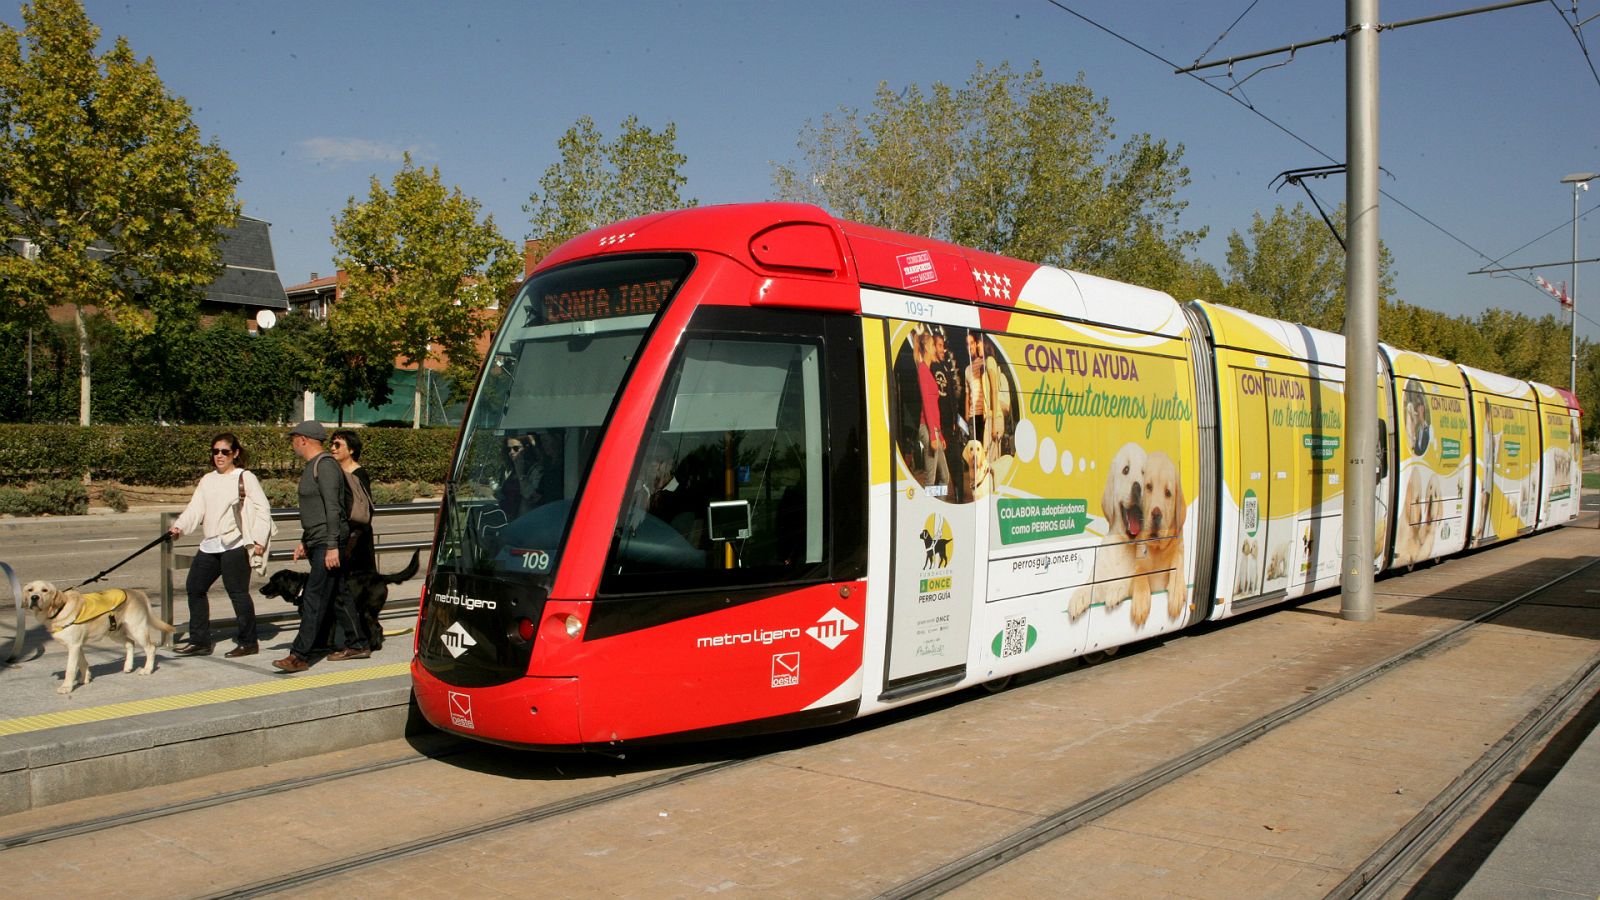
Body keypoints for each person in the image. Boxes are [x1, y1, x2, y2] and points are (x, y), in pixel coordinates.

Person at [273, 420, 367, 672]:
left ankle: (300, 655)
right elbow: (315, 511)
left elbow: (333, 508)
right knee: (338, 594)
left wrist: (332, 546)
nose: (292, 443)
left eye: (294, 438)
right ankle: (358, 643)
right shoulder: (313, 466)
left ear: (303, 439)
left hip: (328, 542)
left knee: (313, 597)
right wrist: (305, 542)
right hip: (318, 540)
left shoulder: (325, 466)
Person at [169, 433, 270, 658]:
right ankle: (200, 641)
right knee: (195, 587)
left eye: (225, 451)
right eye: (215, 452)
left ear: (235, 453)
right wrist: (179, 527)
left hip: (235, 543)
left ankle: (248, 642)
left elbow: (263, 509)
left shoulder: (245, 477)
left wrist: (259, 540)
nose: (219, 456)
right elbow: (195, 509)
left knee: (237, 593)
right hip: (211, 544)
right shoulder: (207, 479)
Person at [330, 429, 376, 574]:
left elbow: (364, 510)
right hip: (342, 538)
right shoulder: (336, 472)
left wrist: (351, 541)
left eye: (337, 445)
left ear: (351, 450)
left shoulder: (358, 475)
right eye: (331, 444)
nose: (332, 448)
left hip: (356, 541)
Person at [495, 433, 537, 519]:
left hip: (526, 518)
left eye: (516, 448)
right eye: (508, 449)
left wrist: (520, 473)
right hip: (508, 518)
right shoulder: (509, 469)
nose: (511, 452)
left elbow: (531, 497)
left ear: (526, 448)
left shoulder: (534, 470)